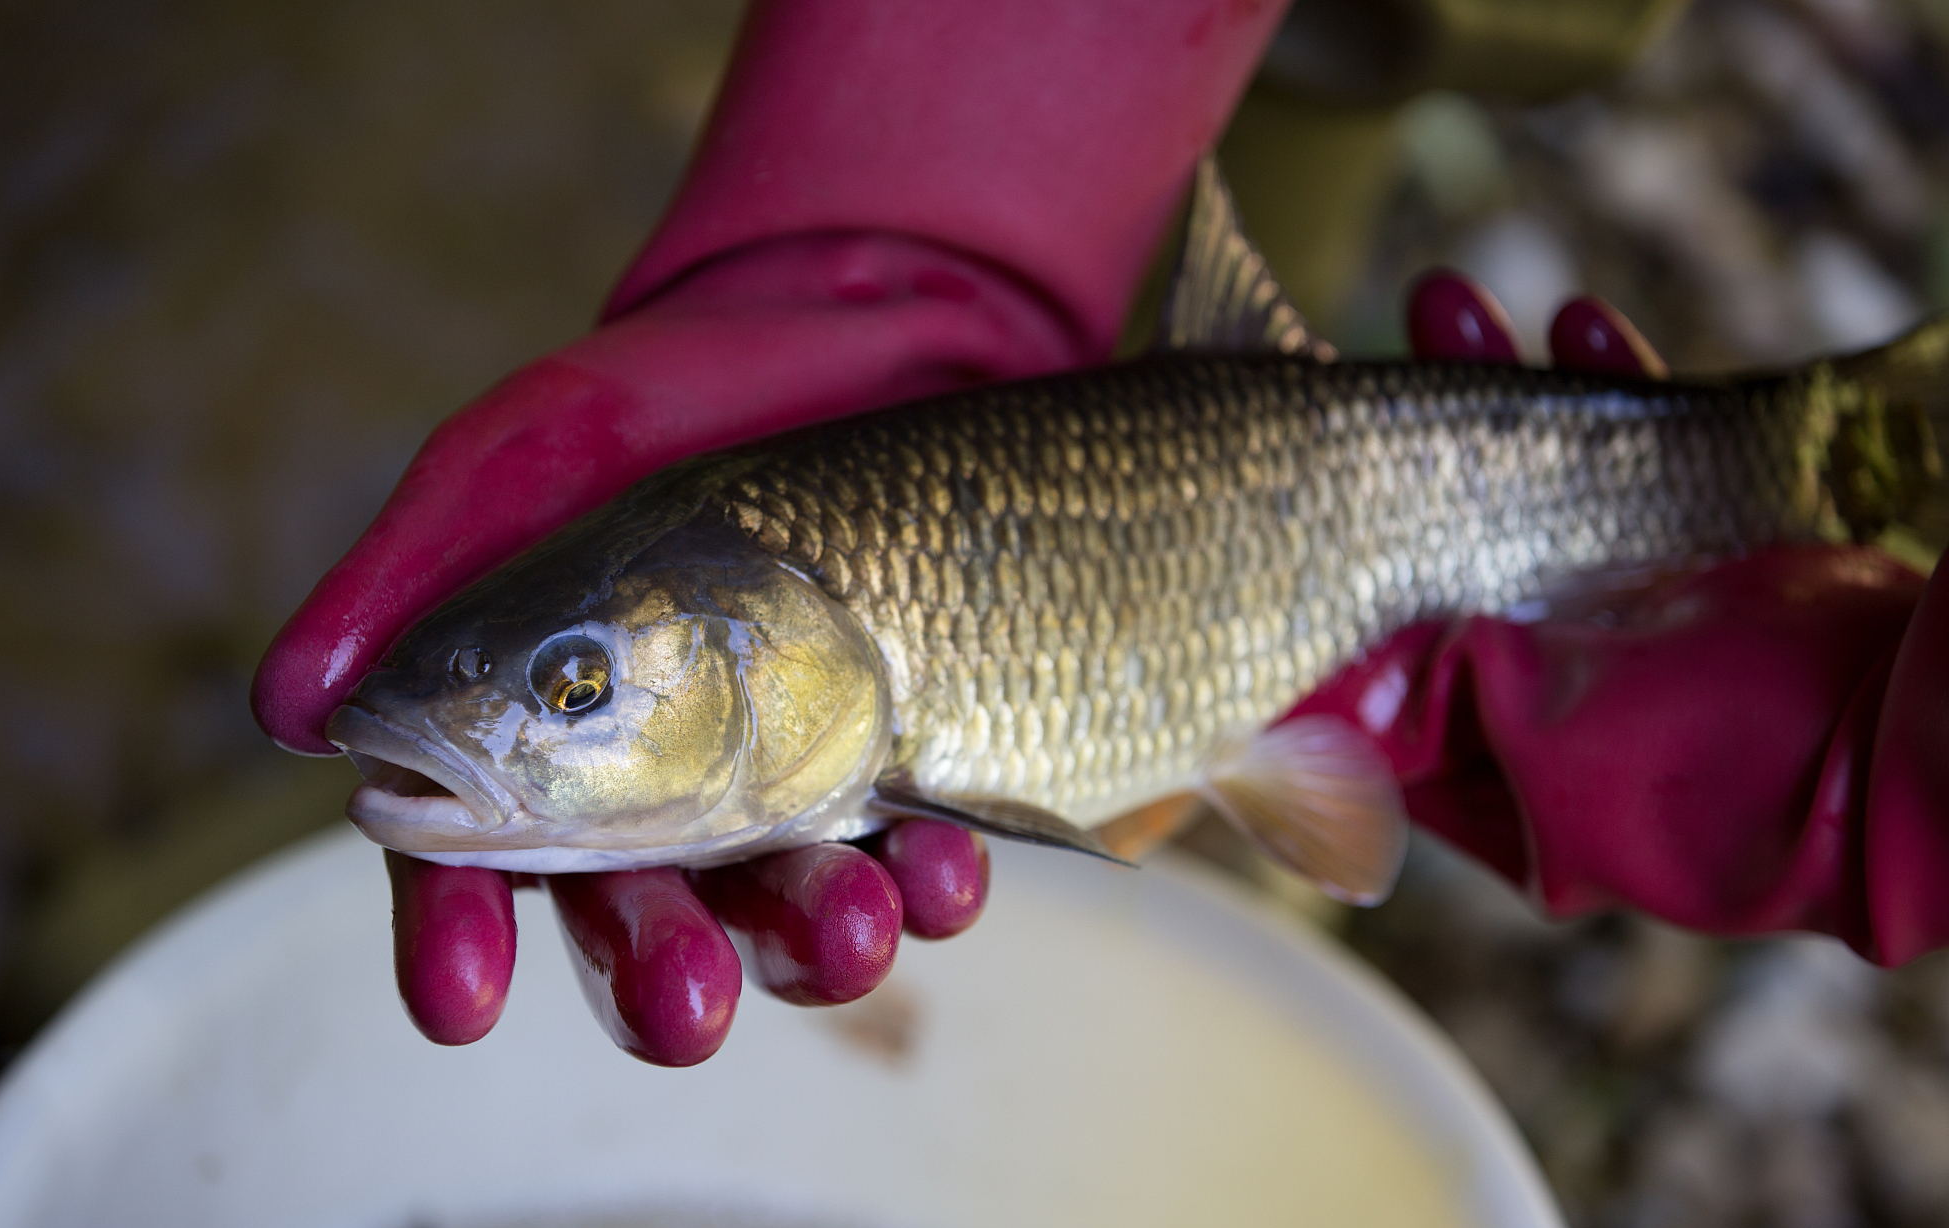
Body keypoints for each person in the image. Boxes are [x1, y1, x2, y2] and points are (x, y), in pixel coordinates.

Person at [251, 1, 1949, 1065]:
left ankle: (1804, 461)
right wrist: (920, 174)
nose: (534, 717)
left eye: (568, 690)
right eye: (578, 688)